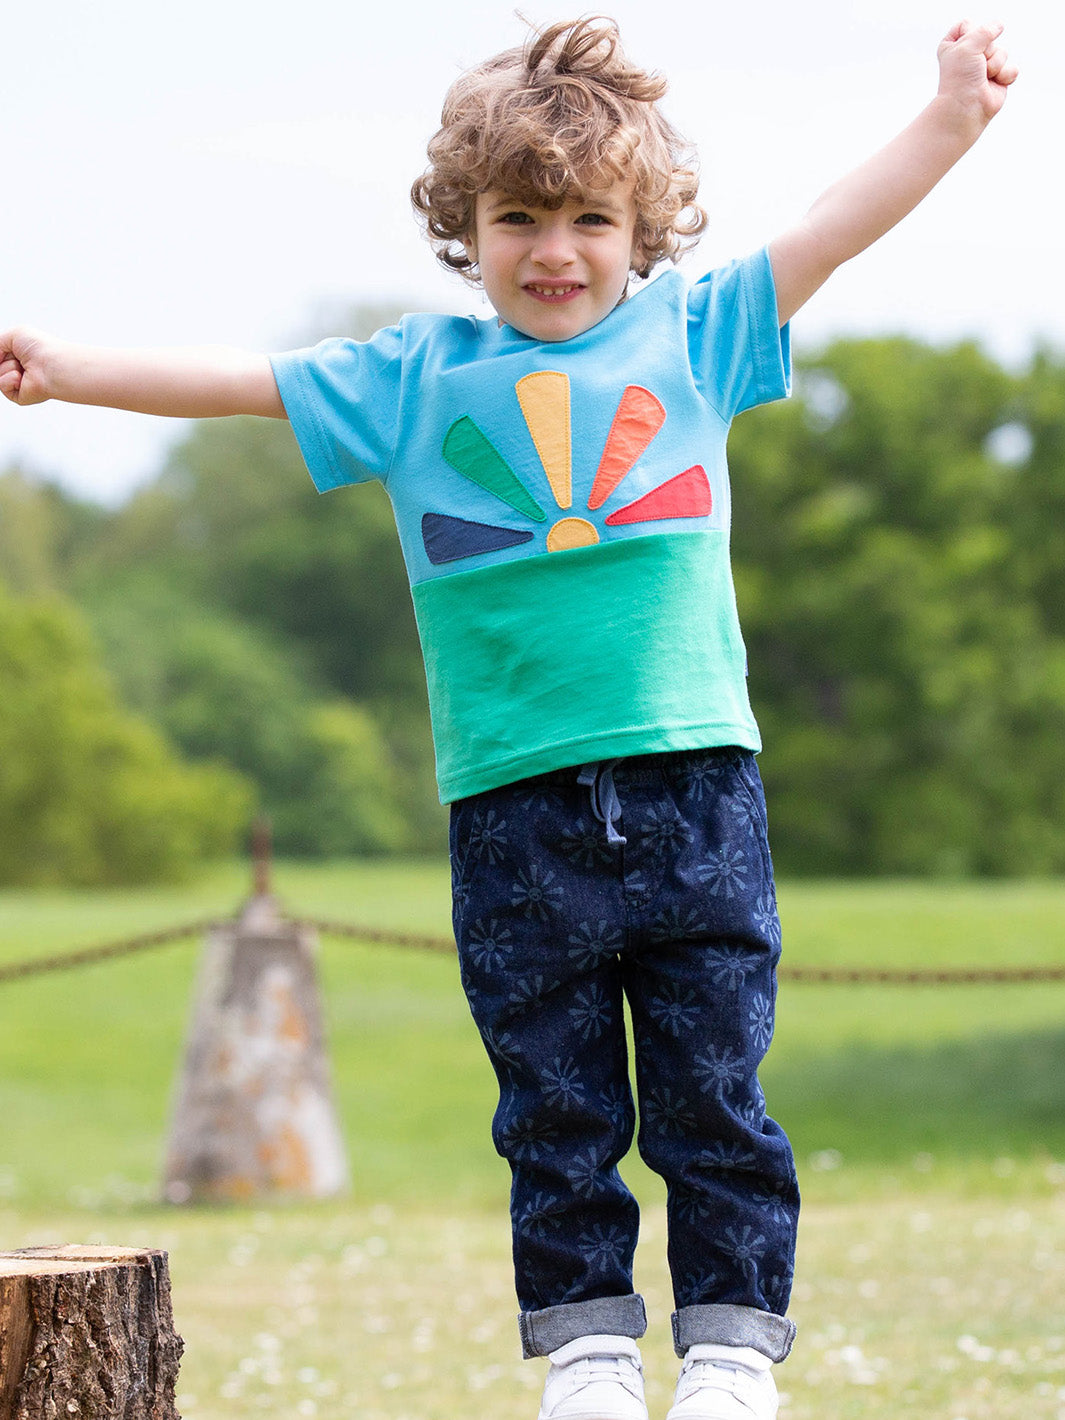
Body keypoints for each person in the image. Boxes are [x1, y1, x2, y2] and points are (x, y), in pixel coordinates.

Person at [0, 16, 1017, 1419]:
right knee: (553, 1107)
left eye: (590, 218)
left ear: (641, 232)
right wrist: (63, 368)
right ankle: (588, 1352)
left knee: (714, 1096)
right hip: (512, 807)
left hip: (693, 792)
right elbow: (243, 384)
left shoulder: (697, 336)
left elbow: (832, 229)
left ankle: (729, 1351)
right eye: (519, 218)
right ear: (465, 231)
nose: (556, 249)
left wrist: (951, 121)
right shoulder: (412, 380)